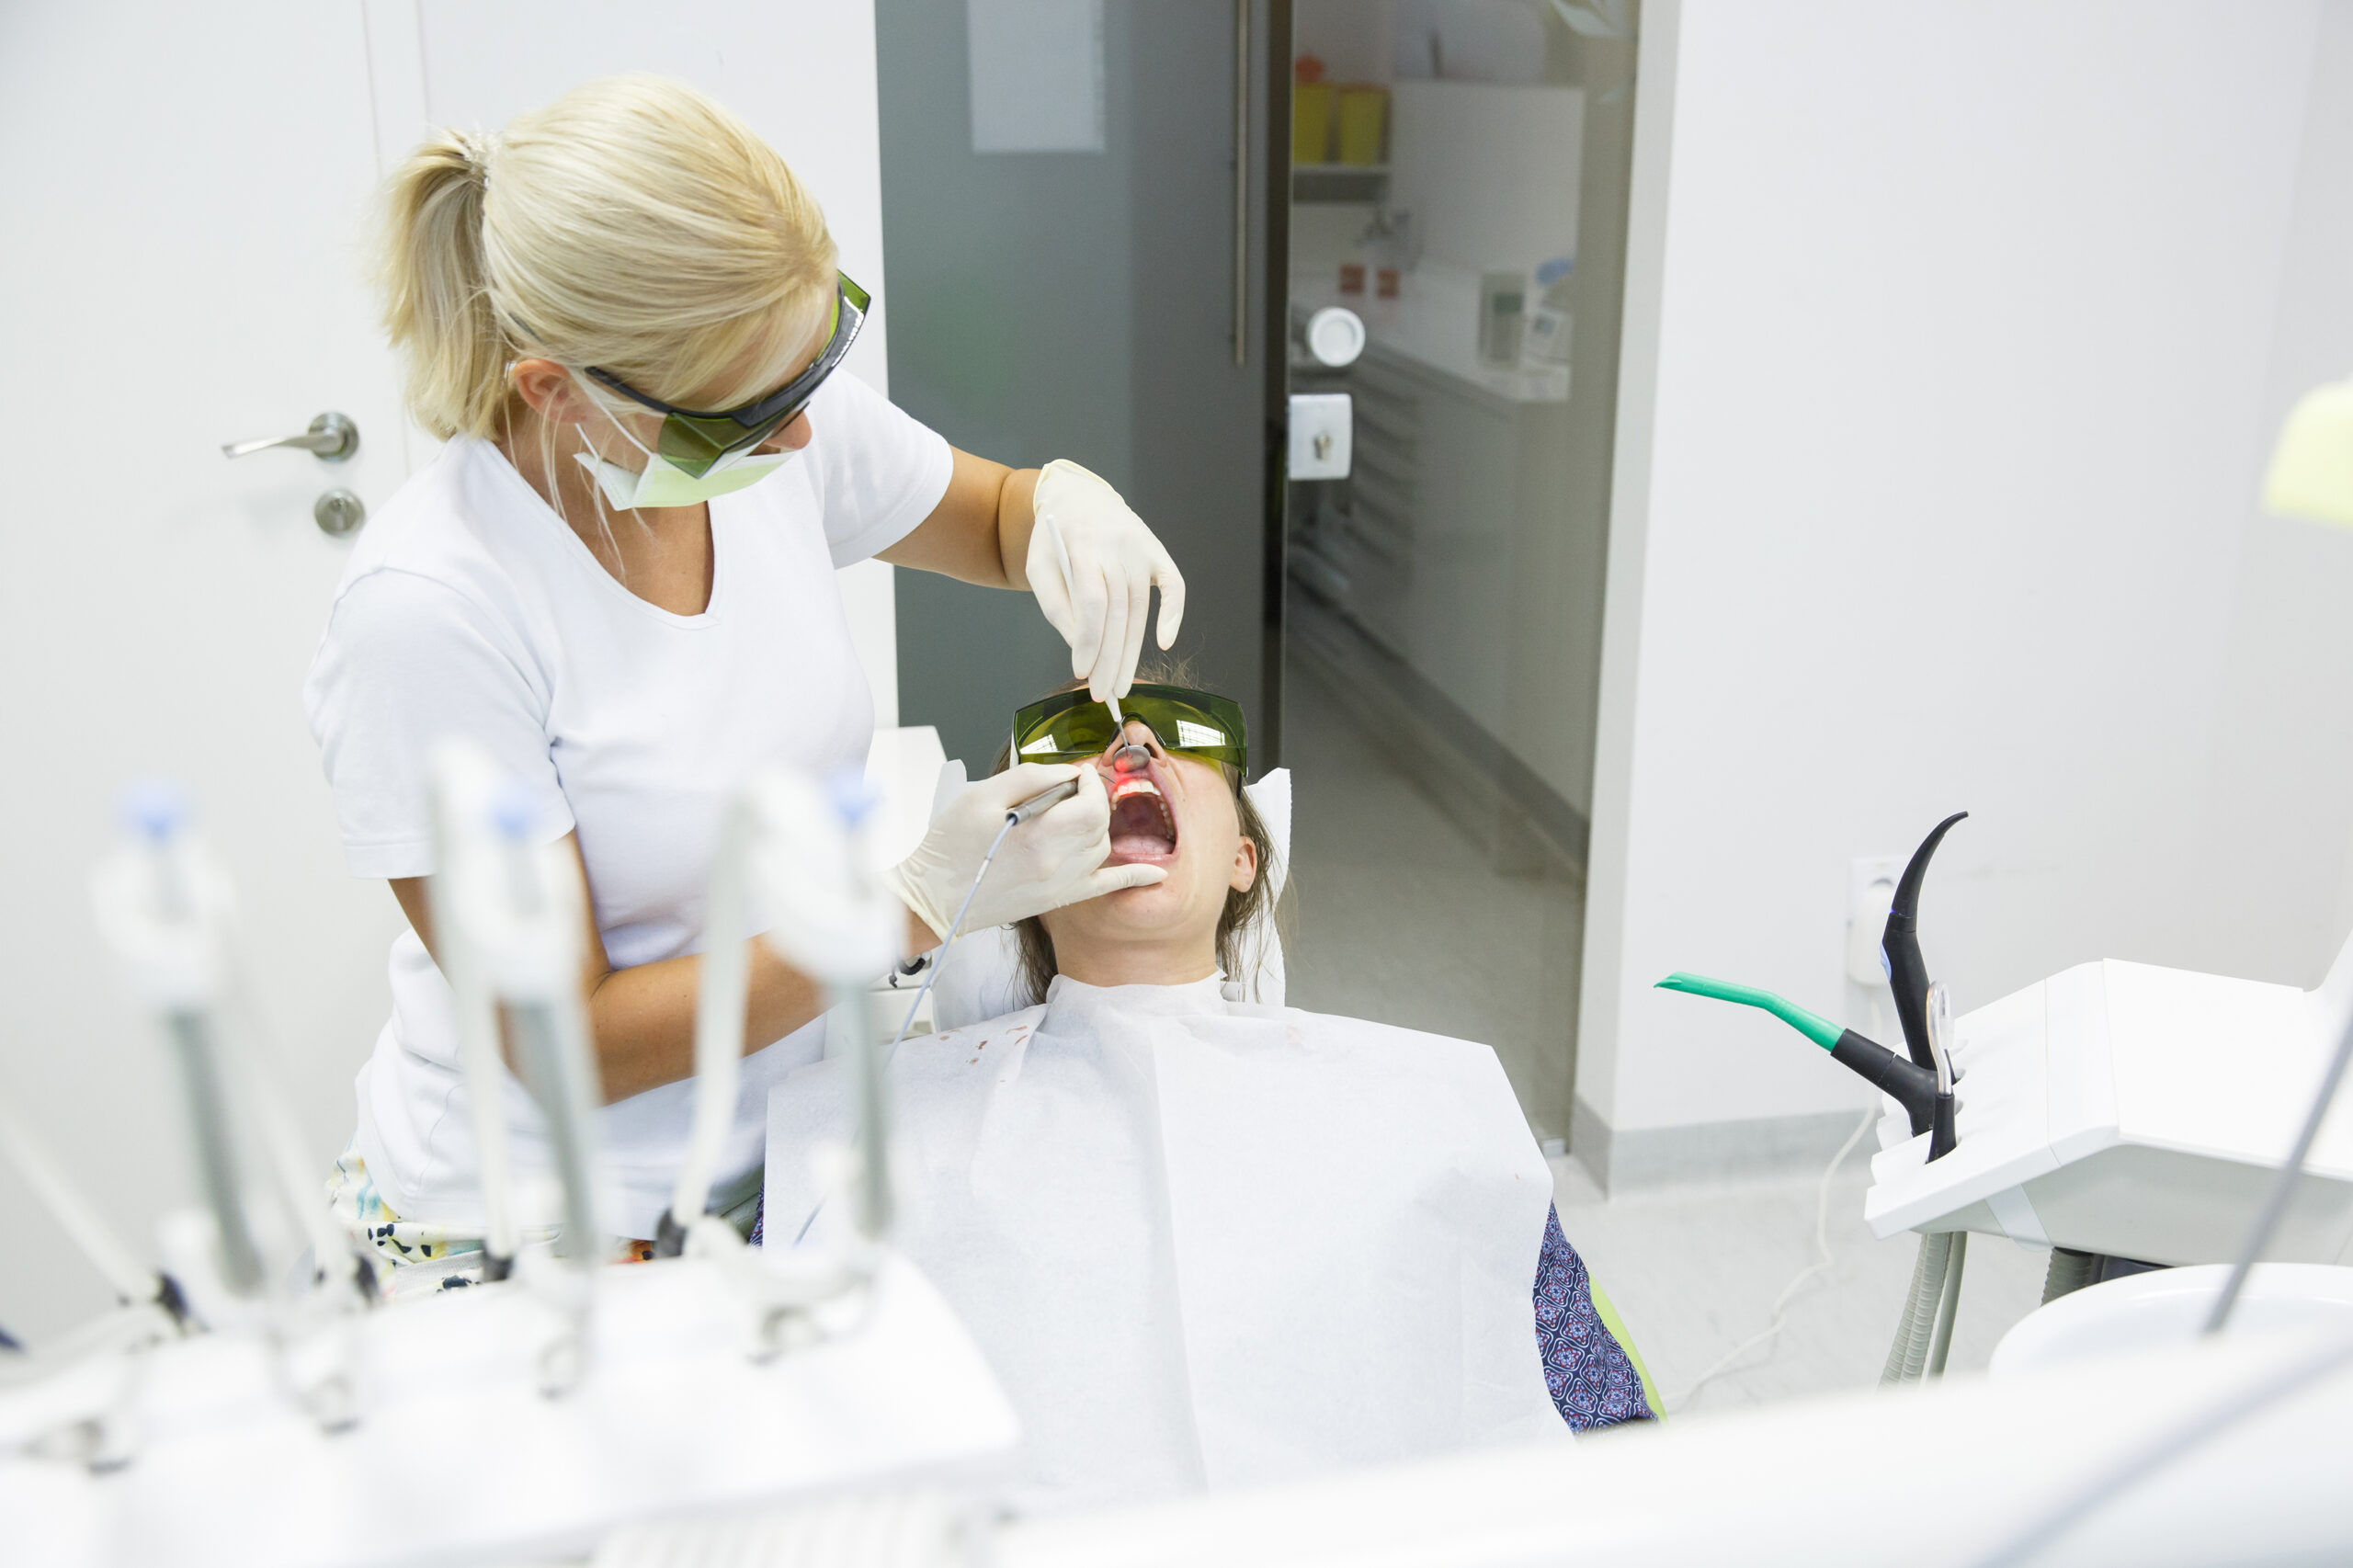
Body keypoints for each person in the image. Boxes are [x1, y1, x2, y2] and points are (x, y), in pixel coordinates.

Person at [303, 76, 1186, 1286]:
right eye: (757, 413)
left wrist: (1063, 505)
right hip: (545, 1223)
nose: (805, 440)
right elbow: (571, 1045)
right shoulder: (433, 614)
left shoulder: (755, 407)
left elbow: (985, 515)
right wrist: (912, 906)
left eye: (816, 365)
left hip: (785, 1147)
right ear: (558, 393)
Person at [759, 676, 1654, 1512]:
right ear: (1017, 873)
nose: (1135, 740)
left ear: (1241, 856)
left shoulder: (1420, 1106)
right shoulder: (881, 1125)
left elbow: (1596, 1412)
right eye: (1074, 739)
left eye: (1182, 729)